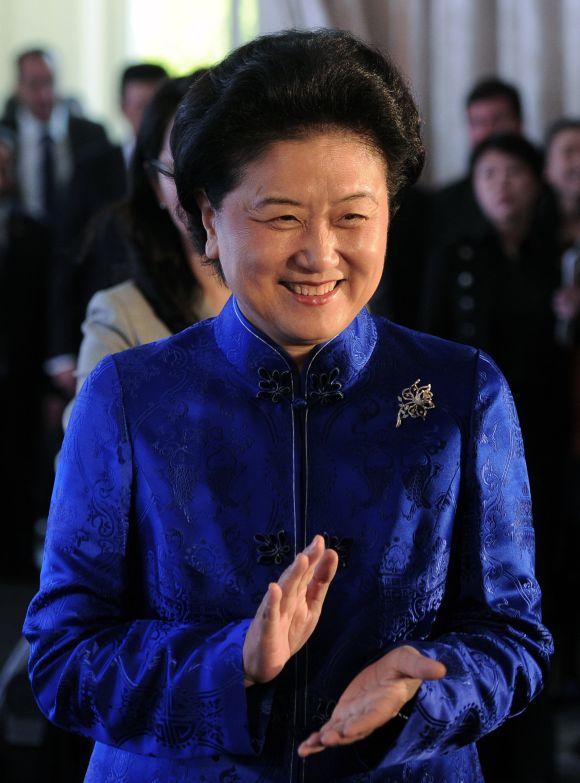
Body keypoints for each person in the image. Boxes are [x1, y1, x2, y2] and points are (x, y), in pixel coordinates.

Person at [24, 30, 552, 782]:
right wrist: (231, 660)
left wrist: (423, 688)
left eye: (352, 216)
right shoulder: (130, 396)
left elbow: (515, 636)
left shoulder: (462, 392)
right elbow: (62, 655)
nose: (320, 253)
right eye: (280, 217)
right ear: (207, 218)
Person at [67, 73, 229, 412]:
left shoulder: (301, 290)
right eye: (178, 173)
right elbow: (86, 452)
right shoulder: (122, 316)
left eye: (215, 170)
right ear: (155, 184)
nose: (198, 195)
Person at [431, 77, 523, 250]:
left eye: (498, 120)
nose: (489, 131)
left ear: (519, 124)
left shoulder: (547, 189)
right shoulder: (446, 202)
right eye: (479, 123)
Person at [120, 62, 168, 168]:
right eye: (141, 107)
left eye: (158, 105)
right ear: (124, 108)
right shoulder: (92, 166)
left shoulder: (181, 161)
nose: (153, 115)